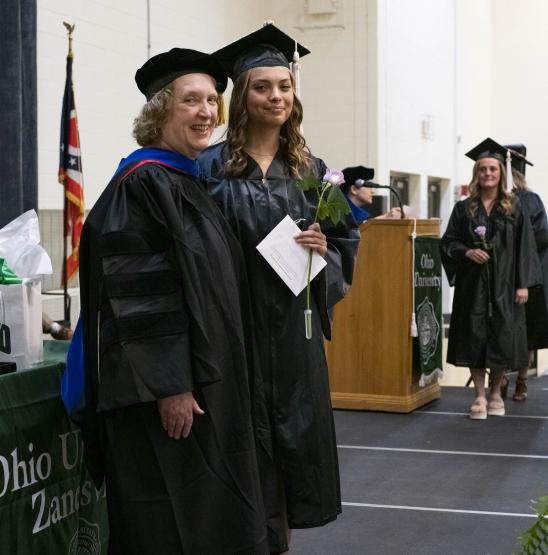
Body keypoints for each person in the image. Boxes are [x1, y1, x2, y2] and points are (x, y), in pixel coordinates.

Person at [77, 49, 268, 553]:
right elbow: (139, 294)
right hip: (165, 396)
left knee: (205, 517)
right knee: (166, 520)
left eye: (212, 100)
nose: (206, 111)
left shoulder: (185, 180)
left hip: (204, 384)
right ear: (160, 111)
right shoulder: (142, 184)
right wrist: (170, 386)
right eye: (191, 100)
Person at [199, 24, 360, 554]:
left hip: (295, 333)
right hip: (232, 332)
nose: (276, 96)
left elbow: (344, 245)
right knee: (239, 448)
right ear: (242, 95)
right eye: (262, 86)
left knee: (292, 445)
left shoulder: (312, 173)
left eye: (284, 86)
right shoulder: (208, 169)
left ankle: (281, 546)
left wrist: (324, 250)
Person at [440, 138, 540, 420]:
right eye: (482, 169)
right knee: (475, 337)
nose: (487, 174)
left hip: (506, 285)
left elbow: (526, 247)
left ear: (501, 173)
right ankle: (479, 397)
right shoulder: (464, 209)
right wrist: (467, 251)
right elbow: (448, 243)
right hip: (473, 285)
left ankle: (496, 393)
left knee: (500, 337)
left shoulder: (514, 208)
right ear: (476, 174)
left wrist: (523, 283)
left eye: (493, 169)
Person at [501, 144, 548, 401]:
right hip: (497, 277)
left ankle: (521, 380)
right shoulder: (488, 201)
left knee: (525, 332)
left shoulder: (531, 200)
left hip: (524, 276)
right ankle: (499, 381)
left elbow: (541, 237)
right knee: (497, 330)